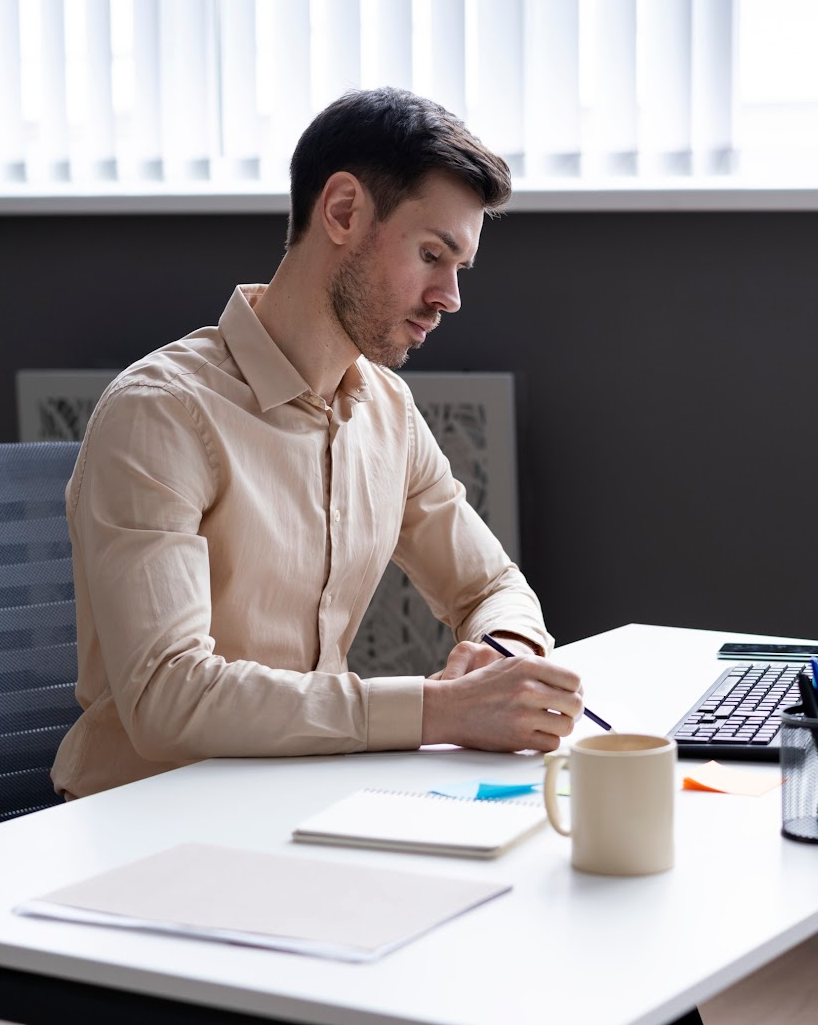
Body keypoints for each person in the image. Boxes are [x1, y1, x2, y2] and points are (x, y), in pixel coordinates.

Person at [51, 88, 583, 799]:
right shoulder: (162, 414)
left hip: (304, 801)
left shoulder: (387, 412)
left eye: (459, 267)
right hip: (147, 820)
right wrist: (436, 710)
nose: (450, 295)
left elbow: (490, 584)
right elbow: (167, 697)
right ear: (342, 212)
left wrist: (502, 658)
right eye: (432, 254)